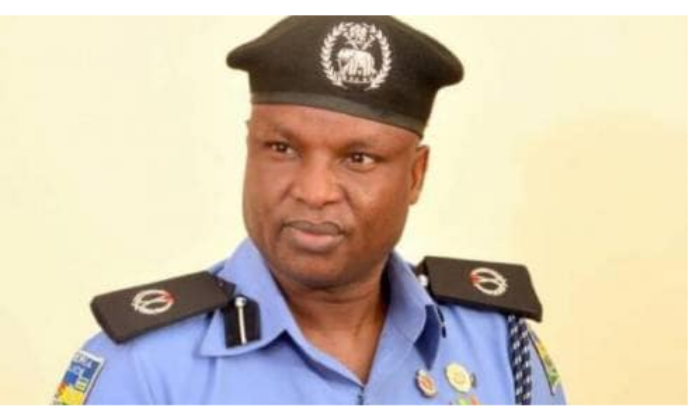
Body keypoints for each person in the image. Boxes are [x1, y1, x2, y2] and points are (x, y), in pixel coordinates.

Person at [53, 16, 565, 405]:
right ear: (249, 148)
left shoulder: (500, 346)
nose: (314, 192)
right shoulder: (143, 367)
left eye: (358, 158)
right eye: (282, 149)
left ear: (415, 176)